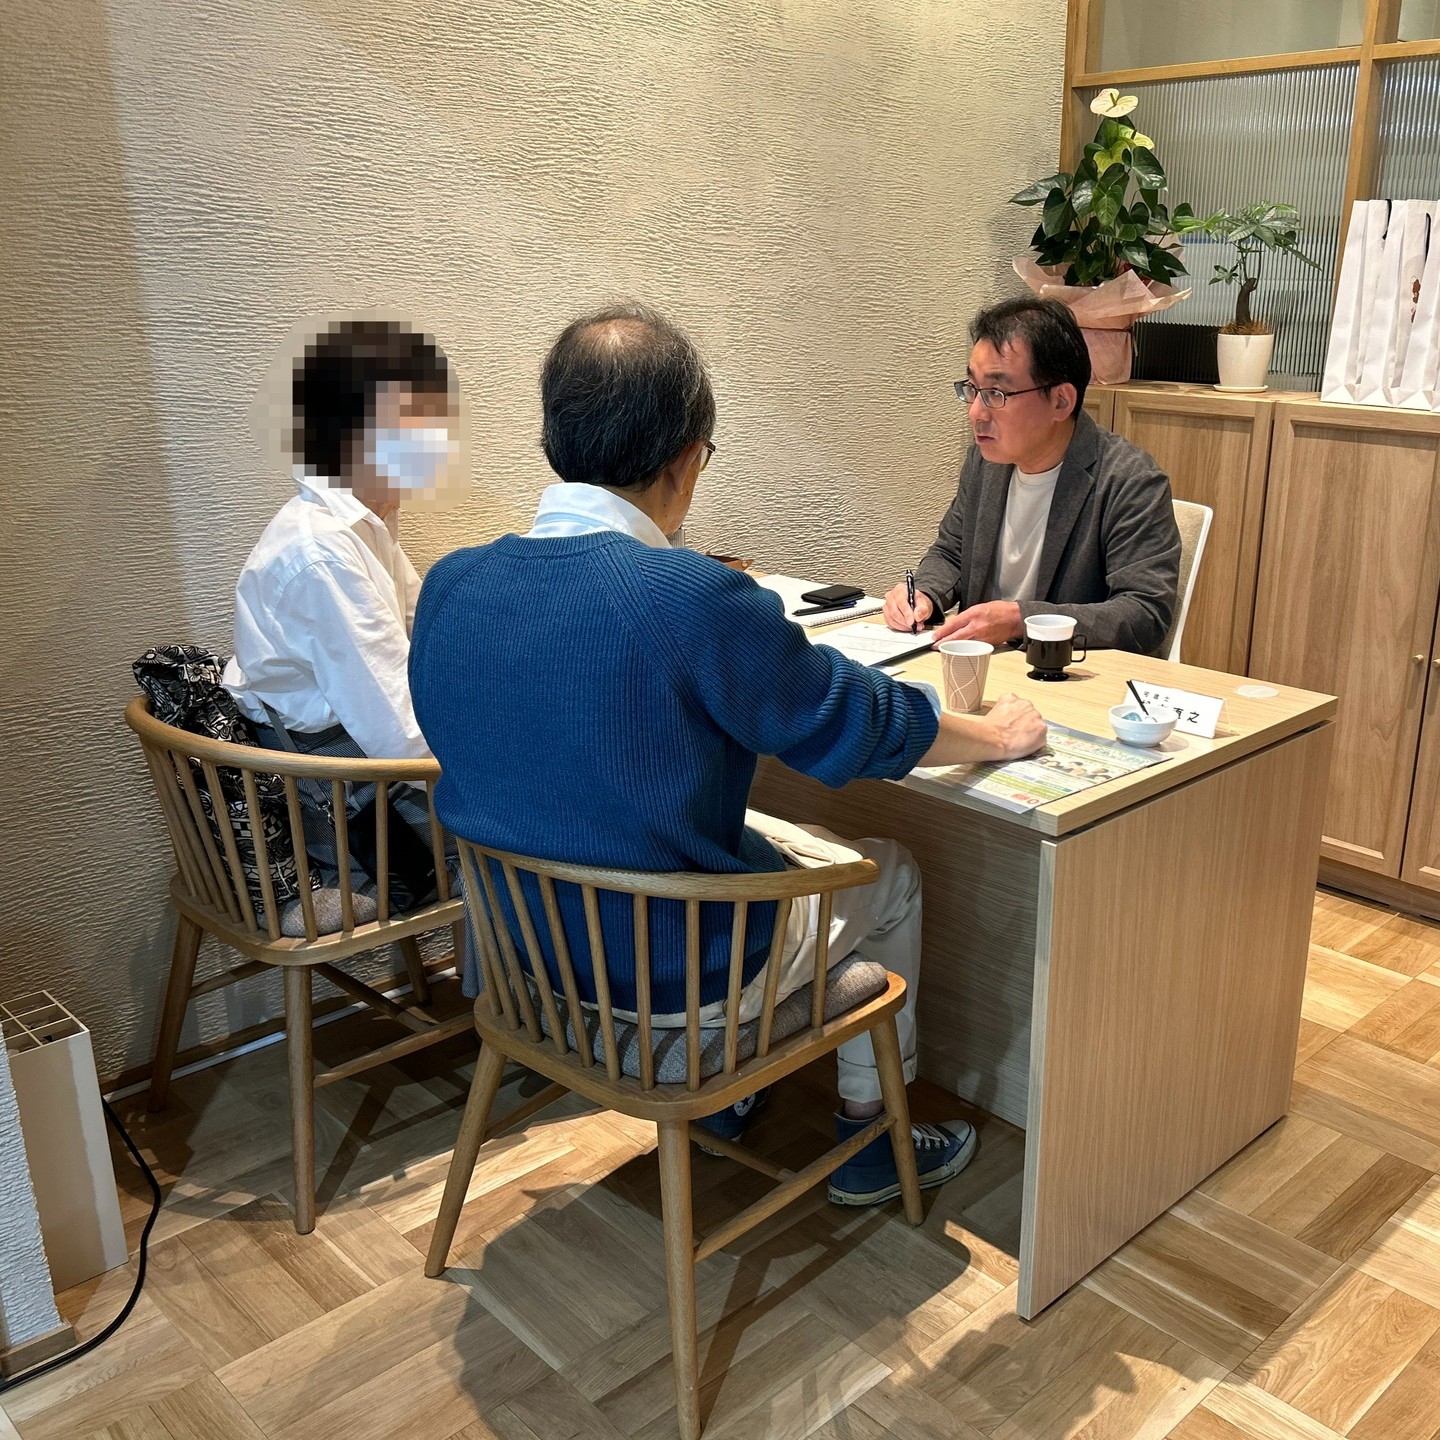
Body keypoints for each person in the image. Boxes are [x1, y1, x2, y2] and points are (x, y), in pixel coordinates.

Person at [410, 303, 1046, 1207]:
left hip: (527, 965)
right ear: (683, 459)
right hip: (676, 977)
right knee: (891, 870)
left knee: (770, 829)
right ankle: (869, 1137)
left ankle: (738, 1101)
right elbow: (857, 723)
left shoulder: (450, 586)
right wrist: (997, 734)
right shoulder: (691, 595)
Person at [223, 318, 460, 923]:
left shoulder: (363, 523)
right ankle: (516, 983)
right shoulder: (322, 552)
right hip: (350, 805)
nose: (434, 441)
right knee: (543, 825)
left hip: (360, 776)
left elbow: (431, 630)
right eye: (414, 421)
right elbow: (398, 734)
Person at [884, 297, 1181, 655]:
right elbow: (951, 553)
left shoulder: (1129, 480)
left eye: (996, 393)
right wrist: (923, 594)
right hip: (980, 666)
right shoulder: (985, 463)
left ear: (1061, 401)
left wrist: (1021, 620)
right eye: (973, 389)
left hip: (1063, 673)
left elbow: (1144, 614)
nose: (976, 412)